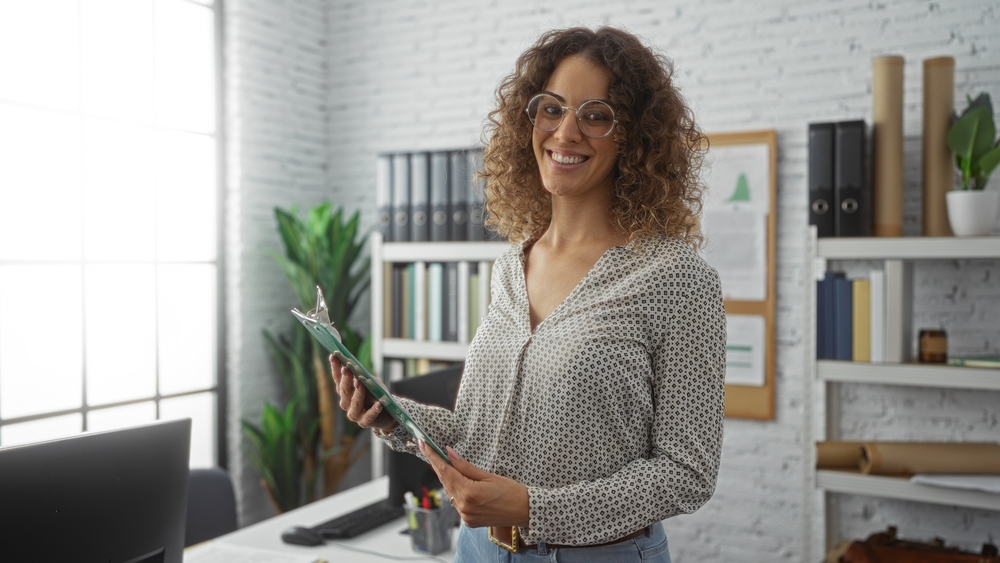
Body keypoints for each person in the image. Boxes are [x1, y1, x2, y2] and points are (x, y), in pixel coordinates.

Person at [333, 26, 726, 563]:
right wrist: (393, 416)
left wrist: (533, 509)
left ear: (634, 138)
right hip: (479, 549)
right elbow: (478, 434)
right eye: (551, 109)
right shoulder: (509, 268)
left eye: (595, 115)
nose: (565, 133)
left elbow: (687, 473)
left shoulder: (678, 279)